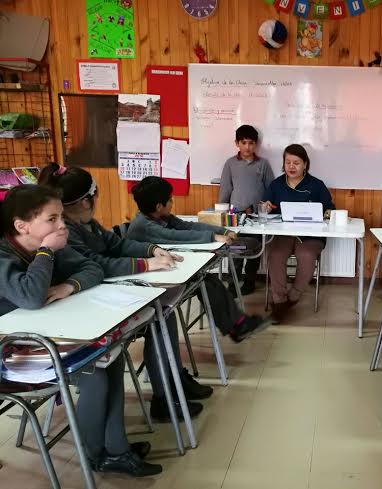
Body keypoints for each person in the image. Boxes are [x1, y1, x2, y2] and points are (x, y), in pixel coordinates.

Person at [0, 185, 161, 477]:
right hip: (12, 354)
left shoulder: (52, 245)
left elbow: (92, 269)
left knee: (112, 357)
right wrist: (46, 251)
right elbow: (31, 296)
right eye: (52, 219)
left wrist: (68, 286)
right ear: (21, 226)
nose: (62, 225)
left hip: (49, 336)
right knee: (94, 375)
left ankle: (116, 449)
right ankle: (95, 455)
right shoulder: (8, 253)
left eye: (61, 217)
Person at [38, 164, 213, 422]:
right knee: (159, 316)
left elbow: (117, 244)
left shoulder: (88, 224)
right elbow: (97, 264)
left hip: (98, 297)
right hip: (84, 311)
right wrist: (146, 265)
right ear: (87, 201)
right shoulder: (66, 232)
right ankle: (166, 394)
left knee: (164, 313)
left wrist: (152, 250)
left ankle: (172, 383)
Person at [126, 176, 269, 342]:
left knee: (209, 280)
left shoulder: (160, 216)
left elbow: (189, 226)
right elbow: (176, 236)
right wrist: (212, 237)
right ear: (159, 206)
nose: (172, 202)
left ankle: (237, 324)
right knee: (205, 282)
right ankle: (236, 326)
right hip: (148, 283)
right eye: (170, 200)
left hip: (163, 272)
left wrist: (222, 231)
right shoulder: (143, 226)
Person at [260, 144, 335, 322]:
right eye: (288, 162)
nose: (291, 166)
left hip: (310, 236)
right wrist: (265, 208)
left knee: (307, 255)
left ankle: (293, 296)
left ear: (305, 164)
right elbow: (265, 206)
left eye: (296, 163)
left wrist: (328, 212)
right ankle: (279, 301)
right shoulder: (277, 184)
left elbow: (330, 208)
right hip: (283, 234)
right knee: (276, 255)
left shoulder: (316, 185)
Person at [218, 124, 275, 295]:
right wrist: (221, 210)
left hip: (256, 216)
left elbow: (270, 188)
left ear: (256, 144)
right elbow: (226, 188)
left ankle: (250, 282)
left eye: (251, 143)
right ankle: (233, 284)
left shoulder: (263, 164)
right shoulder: (230, 164)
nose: (247, 147)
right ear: (237, 143)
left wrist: (267, 208)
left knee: (254, 249)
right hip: (235, 216)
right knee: (236, 249)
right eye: (244, 143)